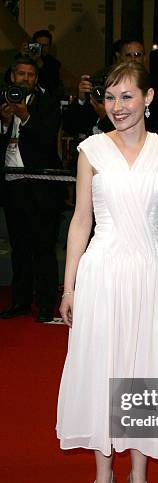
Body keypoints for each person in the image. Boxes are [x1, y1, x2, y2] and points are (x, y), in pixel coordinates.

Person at [56, 62, 158, 483]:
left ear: (148, 98)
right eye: (110, 98)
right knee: (102, 369)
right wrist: (68, 287)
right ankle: (103, 474)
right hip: (102, 271)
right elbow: (80, 221)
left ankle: (139, 475)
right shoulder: (90, 149)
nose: (118, 107)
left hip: (151, 272)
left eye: (127, 97)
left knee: (144, 369)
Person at [0, 56, 65, 322]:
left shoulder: (48, 103)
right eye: (20, 74)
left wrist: (24, 116)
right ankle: (21, 301)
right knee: (20, 246)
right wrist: (5, 123)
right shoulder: (2, 102)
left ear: (35, 79)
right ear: (12, 76)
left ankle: (47, 303)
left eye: (30, 75)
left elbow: (48, 140)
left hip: (42, 186)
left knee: (44, 246)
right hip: (13, 184)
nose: (25, 79)